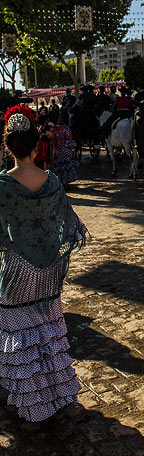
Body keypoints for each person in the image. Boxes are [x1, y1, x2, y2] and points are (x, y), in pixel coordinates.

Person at [0, 106, 87, 422]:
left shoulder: (2, 184)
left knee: (21, 336)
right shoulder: (50, 181)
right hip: (49, 270)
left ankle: (34, 404)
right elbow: (71, 225)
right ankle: (59, 395)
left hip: (18, 271)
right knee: (48, 332)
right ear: (37, 147)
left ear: (6, 146)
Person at [53, 111, 79, 189]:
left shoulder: (55, 128)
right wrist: (73, 151)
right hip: (65, 149)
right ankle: (65, 183)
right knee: (67, 166)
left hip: (57, 150)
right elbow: (69, 141)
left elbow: (54, 141)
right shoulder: (66, 128)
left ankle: (61, 183)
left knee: (60, 167)